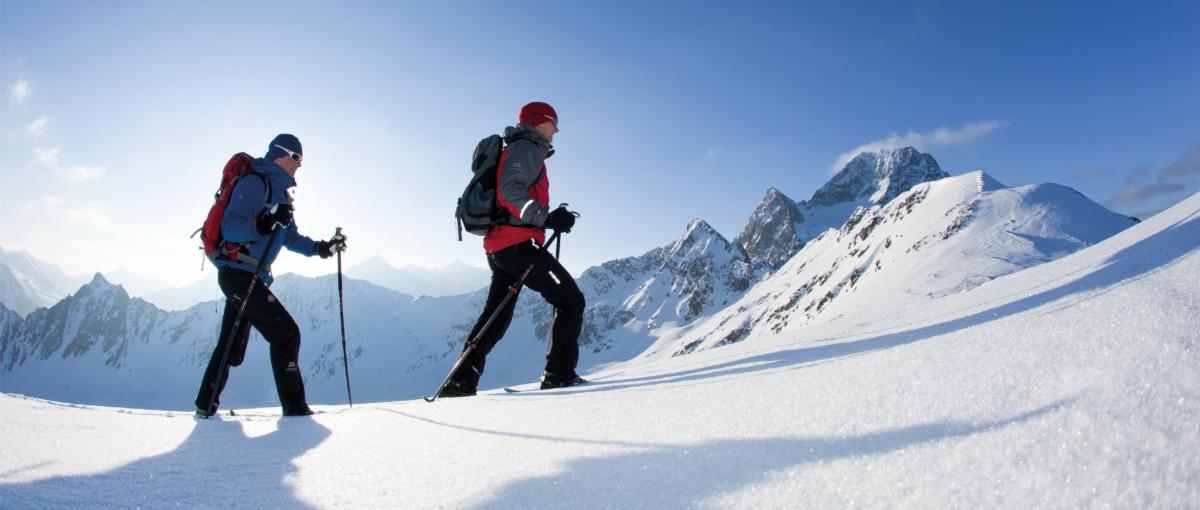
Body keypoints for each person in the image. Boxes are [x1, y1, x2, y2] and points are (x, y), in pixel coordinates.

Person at [195, 133, 347, 417]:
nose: (299, 165)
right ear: (281, 154)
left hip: (248, 276)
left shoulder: (281, 195)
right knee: (286, 335)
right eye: (296, 158)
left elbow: (290, 238)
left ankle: (205, 405)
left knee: (231, 345)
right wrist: (261, 224)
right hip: (239, 274)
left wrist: (322, 248)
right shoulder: (255, 183)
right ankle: (295, 410)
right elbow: (230, 228)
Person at [443, 102, 587, 397]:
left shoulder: (523, 150)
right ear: (538, 122)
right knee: (570, 300)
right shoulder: (527, 149)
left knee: (496, 314)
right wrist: (545, 217)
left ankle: (460, 382)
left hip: (501, 247)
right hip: (516, 245)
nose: (557, 129)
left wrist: (545, 218)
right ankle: (558, 375)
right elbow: (511, 191)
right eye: (553, 122)